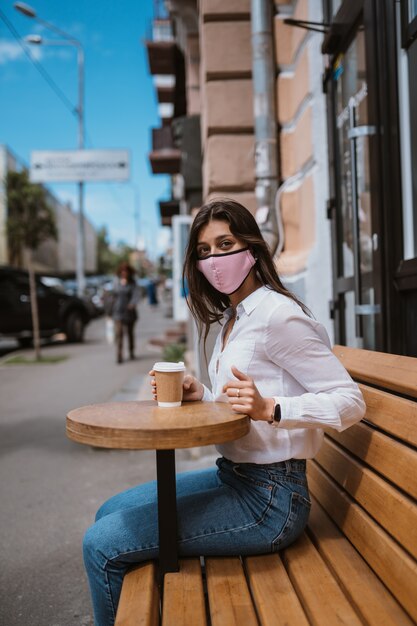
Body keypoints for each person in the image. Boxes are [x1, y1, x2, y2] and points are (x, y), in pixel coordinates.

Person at [82, 200, 365, 625]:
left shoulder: (277, 315)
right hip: (233, 475)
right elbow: (241, 399)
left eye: (225, 244)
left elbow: (349, 400)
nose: (215, 259)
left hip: (271, 501)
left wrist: (272, 408)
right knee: (110, 511)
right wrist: (203, 393)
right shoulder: (235, 317)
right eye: (203, 250)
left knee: (102, 544)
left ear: (251, 248)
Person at [110, 262, 140, 364]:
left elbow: (136, 295)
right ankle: (119, 354)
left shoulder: (133, 283)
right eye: (122, 271)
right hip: (118, 311)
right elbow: (112, 295)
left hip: (129, 312)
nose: (124, 273)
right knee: (119, 334)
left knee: (130, 333)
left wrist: (132, 304)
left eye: (126, 271)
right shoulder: (116, 282)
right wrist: (109, 309)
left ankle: (131, 351)